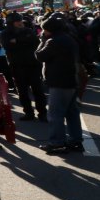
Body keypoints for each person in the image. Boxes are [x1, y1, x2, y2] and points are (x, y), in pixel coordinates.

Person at [35, 17, 83, 155]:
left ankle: (57, 143)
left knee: (55, 114)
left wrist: (42, 41)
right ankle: (75, 141)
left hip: (59, 81)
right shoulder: (69, 38)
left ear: (49, 29)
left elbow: (39, 55)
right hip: (71, 79)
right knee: (72, 112)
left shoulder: (53, 41)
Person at [3, 13, 47, 121]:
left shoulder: (28, 30)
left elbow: (35, 42)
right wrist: (23, 41)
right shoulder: (5, 33)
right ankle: (28, 113)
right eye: (17, 21)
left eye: (20, 20)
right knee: (22, 92)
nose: (20, 23)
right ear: (11, 23)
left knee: (38, 91)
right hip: (17, 66)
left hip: (33, 65)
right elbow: (7, 45)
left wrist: (17, 41)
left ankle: (43, 113)